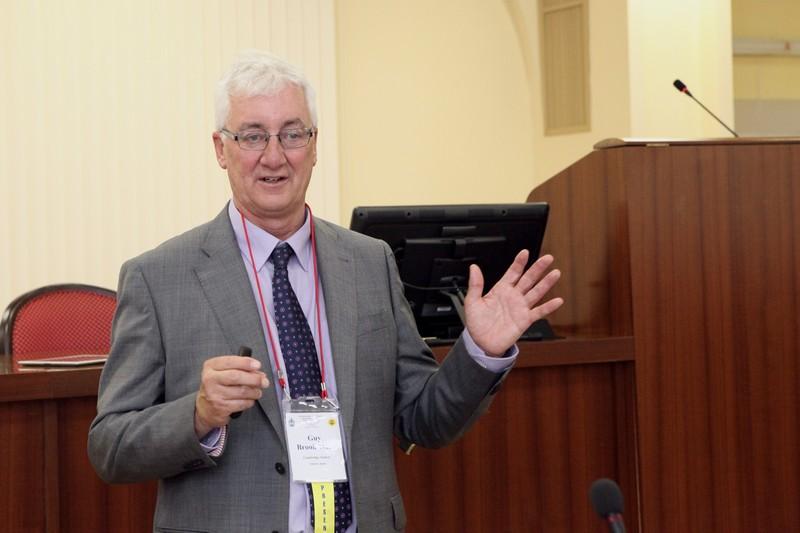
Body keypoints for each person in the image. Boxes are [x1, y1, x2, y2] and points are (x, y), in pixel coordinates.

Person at [88, 50, 563, 533]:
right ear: (220, 149)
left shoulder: (370, 262)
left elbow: (424, 421)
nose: (274, 156)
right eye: (252, 136)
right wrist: (199, 414)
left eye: (293, 134)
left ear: (314, 145)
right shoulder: (159, 277)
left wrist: (479, 351)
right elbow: (110, 446)